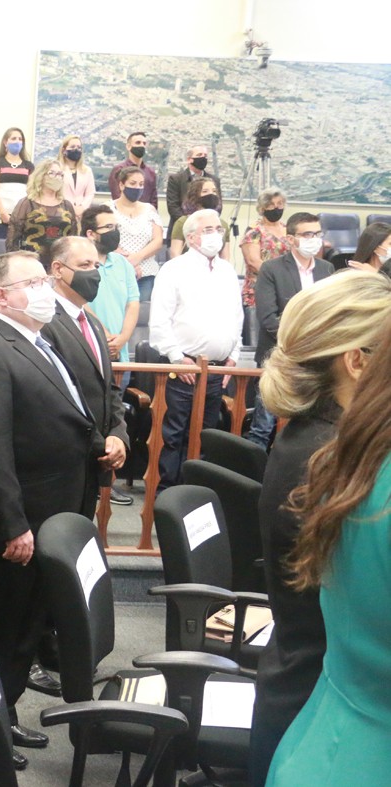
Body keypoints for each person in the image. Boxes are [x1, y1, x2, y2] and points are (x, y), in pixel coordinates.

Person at [249, 271, 391, 786]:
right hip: (316, 705)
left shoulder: (321, 436)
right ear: (358, 361)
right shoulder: (335, 458)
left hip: (308, 689)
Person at [0, 251, 97, 767]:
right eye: (32, 282)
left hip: (52, 513)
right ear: (1, 296)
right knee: (3, 630)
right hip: (19, 523)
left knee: (25, 630)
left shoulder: (39, 339)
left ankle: (5, 714)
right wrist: (13, 524)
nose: (44, 289)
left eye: (44, 280)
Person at [149, 208, 243, 490]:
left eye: (219, 229)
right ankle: (167, 493)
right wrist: (178, 358)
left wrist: (233, 356)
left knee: (205, 435)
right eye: (208, 230)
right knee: (173, 435)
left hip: (216, 370)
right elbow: (160, 321)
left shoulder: (227, 271)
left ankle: (195, 493)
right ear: (191, 237)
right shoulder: (174, 269)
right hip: (183, 369)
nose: (217, 234)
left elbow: (236, 317)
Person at [53, 229, 136, 507]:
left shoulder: (94, 324)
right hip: (60, 466)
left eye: (96, 266)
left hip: (93, 465)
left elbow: (109, 389)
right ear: (58, 269)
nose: (94, 273)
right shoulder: (44, 322)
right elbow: (57, 397)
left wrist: (118, 436)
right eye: (84, 265)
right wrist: (102, 444)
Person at [247, 212, 333, 449]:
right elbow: (268, 318)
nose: (313, 239)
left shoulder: (326, 269)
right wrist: (302, 341)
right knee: (263, 427)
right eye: (307, 234)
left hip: (315, 360)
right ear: (291, 238)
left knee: (308, 428)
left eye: (317, 234)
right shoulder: (272, 269)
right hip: (278, 355)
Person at [84, 205, 141, 394]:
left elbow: (132, 304)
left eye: (116, 227)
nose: (114, 232)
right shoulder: (80, 263)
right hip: (89, 351)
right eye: (108, 227)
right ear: (91, 234)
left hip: (119, 354)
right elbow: (79, 303)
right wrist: (105, 336)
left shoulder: (123, 264)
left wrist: (122, 339)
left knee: (117, 406)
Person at [110, 166, 165, 301]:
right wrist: (128, 262)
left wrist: (138, 257)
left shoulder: (149, 209)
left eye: (141, 184)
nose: (137, 188)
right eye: (133, 183)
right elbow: (104, 239)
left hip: (147, 275)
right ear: (122, 185)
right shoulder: (108, 209)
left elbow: (157, 241)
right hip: (116, 272)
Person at [240, 188, 296, 312]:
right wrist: (279, 278)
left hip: (287, 290)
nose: (276, 208)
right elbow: (253, 262)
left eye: (280, 204)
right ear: (262, 208)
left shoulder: (289, 229)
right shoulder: (254, 231)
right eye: (271, 205)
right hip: (260, 290)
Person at [7, 160, 78, 254]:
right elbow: (13, 239)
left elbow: (73, 238)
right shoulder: (26, 204)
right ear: (41, 176)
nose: (57, 177)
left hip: (60, 258)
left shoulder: (67, 205)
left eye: (60, 174)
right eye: (52, 173)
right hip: (31, 258)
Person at [0, 127, 34, 241]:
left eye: (20, 139)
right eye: (13, 138)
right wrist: (3, 213)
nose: (17, 141)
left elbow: (32, 192)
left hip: (22, 218)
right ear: (5, 142)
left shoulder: (29, 166)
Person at [165, 144, 219, 240]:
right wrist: (190, 224)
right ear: (189, 159)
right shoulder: (176, 179)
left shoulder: (214, 180)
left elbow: (218, 206)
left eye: (205, 155)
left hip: (207, 231)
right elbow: (173, 207)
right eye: (199, 155)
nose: (203, 158)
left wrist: (205, 222)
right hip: (180, 231)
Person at [169, 178, 230, 261]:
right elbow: (175, 254)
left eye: (214, 191)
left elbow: (225, 257)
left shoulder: (222, 224)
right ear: (195, 195)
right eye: (205, 191)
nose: (211, 194)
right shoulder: (183, 222)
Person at [107, 131, 158, 207]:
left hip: (147, 213)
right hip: (124, 212)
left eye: (144, 143)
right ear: (128, 146)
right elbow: (117, 197)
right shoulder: (119, 170)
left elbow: (154, 199)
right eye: (138, 143)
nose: (141, 146)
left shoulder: (151, 172)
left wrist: (150, 212)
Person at [58, 135, 95, 215]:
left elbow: (90, 193)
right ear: (64, 150)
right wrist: (69, 208)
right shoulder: (57, 169)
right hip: (61, 212)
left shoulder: (87, 170)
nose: (76, 149)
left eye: (79, 147)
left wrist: (82, 207)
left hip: (82, 213)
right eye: (72, 147)